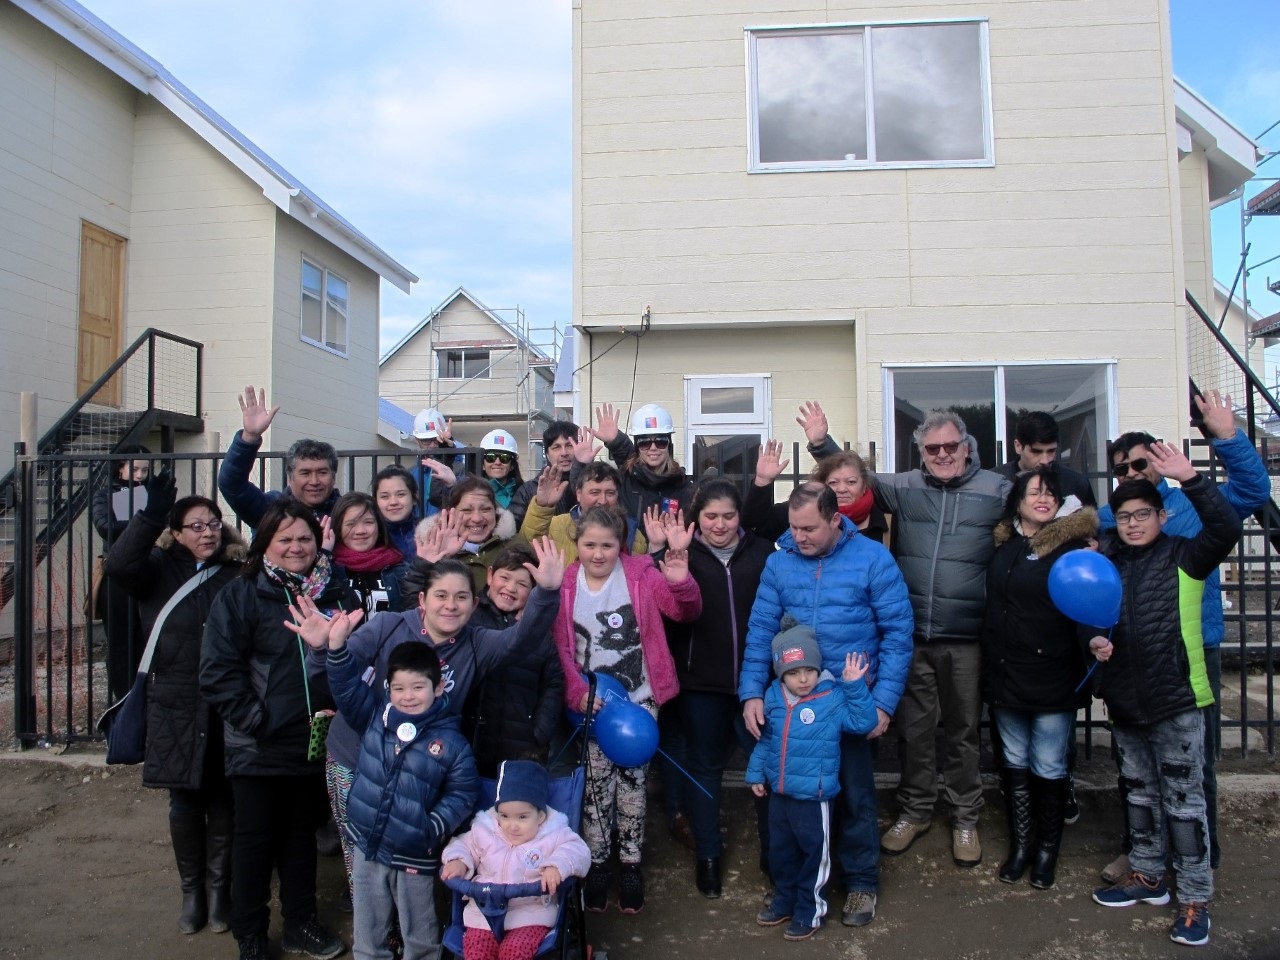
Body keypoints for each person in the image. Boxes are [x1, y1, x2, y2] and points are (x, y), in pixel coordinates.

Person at [304, 539, 564, 924]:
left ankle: (416, 930)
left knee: (413, 855)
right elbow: (331, 673)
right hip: (356, 756)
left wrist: (546, 592)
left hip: (422, 771)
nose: (451, 604)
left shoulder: (478, 643)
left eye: (461, 597)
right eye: (441, 595)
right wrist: (321, 648)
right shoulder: (388, 626)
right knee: (362, 852)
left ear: (475, 605)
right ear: (422, 600)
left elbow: (522, 639)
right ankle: (377, 929)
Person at [1097, 390, 1270, 883]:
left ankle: (1198, 857)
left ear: (1157, 460)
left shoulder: (1193, 503)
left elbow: (1253, 492)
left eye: (1139, 463)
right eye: (1121, 469)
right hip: (1132, 655)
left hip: (1194, 648)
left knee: (1195, 766)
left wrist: (1228, 437)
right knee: (1135, 766)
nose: (1131, 474)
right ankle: (1142, 854)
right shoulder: (1114, 517)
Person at [1087, 441, 1243, 948]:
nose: (1132, 524)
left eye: (1142, 514)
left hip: (1176, 696)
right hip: (1125, 698)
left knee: (1183, 801)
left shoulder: (1187, 554)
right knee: (1137, 793)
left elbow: (1225, 528)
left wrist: (1192, 479)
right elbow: (1091, 616)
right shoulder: (1110, 561)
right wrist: (1095, 641)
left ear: (1160, 515)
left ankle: (1196, 895)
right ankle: (1149, 875)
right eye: (1124, 516)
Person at [739, 483, 913, 929]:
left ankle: (860, 883)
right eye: (794, 528)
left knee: (854, 797)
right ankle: (793, 888)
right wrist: (753, 693)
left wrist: (884, 703)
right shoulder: (780, 563)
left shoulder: (873, 559)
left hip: (848, 704)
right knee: (789, 806)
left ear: (836, 519)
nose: (800, 537)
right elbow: (760, 632)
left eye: (810, 528)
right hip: (790, 708)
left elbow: (897, 634)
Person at [200, 499, 358, 960]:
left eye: (304, 538)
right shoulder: (242, 593)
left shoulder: (336, 592)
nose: (296, 547)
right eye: (284, 539)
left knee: (300, 835)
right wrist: (257, 721)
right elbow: (217, 671)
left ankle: (300, 923)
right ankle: (250, 933)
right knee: (254, 840)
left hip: (315, 740)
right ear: (264, 543)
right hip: (258, 743)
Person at [864, 409, 1010, 869]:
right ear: (921, 453)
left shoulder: (998, 489)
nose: (942, 455)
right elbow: (854, 480)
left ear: (967, 447)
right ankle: (916, 811)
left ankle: (966, 816)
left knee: (965, 732)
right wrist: (822, 444)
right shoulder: (905, 487)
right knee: (915, 731)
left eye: (950, 446)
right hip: (913, 637)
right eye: (932, 449)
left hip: (966, 637)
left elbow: (1047, 510)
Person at [293, 610, 478, 960]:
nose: (408, 696)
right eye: (399, 688)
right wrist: (336, 647)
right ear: (387, 688)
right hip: (367, 845)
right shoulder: (375, 717)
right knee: (369, 928)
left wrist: (434, 826)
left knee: (419, 931)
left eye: (418, 687)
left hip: (414, 854)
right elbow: (347, 686)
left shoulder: (451, 741)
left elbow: (463, 793)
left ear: (438, 687)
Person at [104, 483, 244, 935]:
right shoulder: (157, 570)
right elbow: (119, 564)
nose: (208, 533)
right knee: (183, 799)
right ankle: (192, 893)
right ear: (177, 533)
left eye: (213, 524)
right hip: (173, 703)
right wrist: (149, 516)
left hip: (224, 702)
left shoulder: (235, 572)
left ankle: (220, 892)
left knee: (223, 799)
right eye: (196, 526)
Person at [552, 505, 702, 915]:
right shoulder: (566, 582)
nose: (598, 554)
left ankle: (631, 863)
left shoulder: (640, 573)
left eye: (608, 545)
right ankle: (598, 863)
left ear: (622, 545)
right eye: (590, 545)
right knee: (596, 786)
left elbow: (683, 611)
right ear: (576, 544)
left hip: (639, 697)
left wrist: (681, 582)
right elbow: (562, 648)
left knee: (632, 782)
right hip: (592, 703)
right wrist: (575, 691)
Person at [654, 479, 774, 898]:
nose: (720, 525)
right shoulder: (679, 555)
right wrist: (665, 556)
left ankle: (773, 851)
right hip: (701, 685)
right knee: (705, 767)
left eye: (728, 516)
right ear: (696, 518)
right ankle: (707, 854)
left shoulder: (761, 553)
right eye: (710, 517)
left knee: (767, 765)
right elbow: (661, 612)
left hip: (755, 684)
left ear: (740, 517)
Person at [981, 467, 1097, 889]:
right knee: (1013, 763)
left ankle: (1047, 853)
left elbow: (1087, 604)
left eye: (1050, 493)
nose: (1042, 498)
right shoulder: (1004, 544)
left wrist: (1095, 644)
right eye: (1034, 492)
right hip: (1006, 674)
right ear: (1018, 501)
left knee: (1047, 764)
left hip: (1052, 674)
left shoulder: (1073, 547)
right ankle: (1021, 847)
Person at [747, 626, 878, 942]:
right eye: (794, 672)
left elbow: (864, 722)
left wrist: (854, 686)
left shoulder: (831, 698)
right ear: (781, 673)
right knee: (781, 853)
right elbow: (766, 740)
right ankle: (785, 901)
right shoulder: (774, 696)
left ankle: (810, 910)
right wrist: (754, 773)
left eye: (809, 670)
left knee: (813, 856)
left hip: (814, 797)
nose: (803, 679)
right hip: (780, 794)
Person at [441, 760, 592, 960]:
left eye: (522, 817)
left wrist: (556, 865)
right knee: (477, 952)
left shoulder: (553, 834)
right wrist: (458, 861)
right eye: (504, 816)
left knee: (514, 953)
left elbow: (578, 850)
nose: (512, 826)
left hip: (530, 914)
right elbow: (463, 845)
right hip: (482, 915)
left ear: (540, 816)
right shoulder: (485, 830)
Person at [462, 544, 566, 777]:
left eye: (522, 584)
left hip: (520, 744)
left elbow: (553, 682)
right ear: (490, 576)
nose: (510, 588)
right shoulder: (468, 616)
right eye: (505, 578)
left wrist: (538, 732)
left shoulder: (538, 628)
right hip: (469, 740)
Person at [217, 385, 340, 528]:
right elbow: (231, 485)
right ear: (290, 478)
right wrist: (249, 437)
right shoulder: (269, 509)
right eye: (305, 473)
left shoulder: (347, 513)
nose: (314, 481)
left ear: (333, 477)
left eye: (322, 472)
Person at [90, 444, 151, 702]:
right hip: (116, 572)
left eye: (145, 470)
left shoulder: (151, 491)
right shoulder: (105, 493)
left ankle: (144, 696)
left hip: (148, 568)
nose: (140, 475)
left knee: (147, 638)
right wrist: (145, 523)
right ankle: (123, 699)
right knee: (119, 642)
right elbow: (105, 527)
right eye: (135, 469)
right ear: (120, 467)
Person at [747, 434, 889, 545]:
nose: (841, 489)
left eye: (851, 482)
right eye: (833, 482)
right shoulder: (802, 511)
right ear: (822, 485)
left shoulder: (886, 520)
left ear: (864, 486)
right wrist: (762, 481)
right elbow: (755, 529)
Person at [520, 451, 647, 561]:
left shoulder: (634, 534)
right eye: (594, 492)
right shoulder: (555, 526)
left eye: (610, 493)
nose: (602, 501)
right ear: (579, 493)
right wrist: (542, 507)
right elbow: (527, 547)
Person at [581, 402, 694, 523]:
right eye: (644, 442)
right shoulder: (622, 482)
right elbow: (582, 492)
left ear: (669, 446)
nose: (653, 447)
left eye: (661, 441)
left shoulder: (685, 487)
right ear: (637, 447)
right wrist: (581, 463)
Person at [414, 478, 520, 592]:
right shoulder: (431, 550)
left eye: (485, 509)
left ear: (496, 511)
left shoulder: (514, 547)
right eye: (467, 510)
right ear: (451, 513)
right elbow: (414, 602)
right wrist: (435, 561)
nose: (477, 518)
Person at [330, 491, 410, 619]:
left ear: (379, 526)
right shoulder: (328, 569)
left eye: (368, 522)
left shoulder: (400, 570)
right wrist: (323, 555)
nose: (360, 531)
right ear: (338, 528)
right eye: (351, 524)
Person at [995, 411, 1097, 507]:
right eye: (1036, 451)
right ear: (1018, 446)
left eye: (1051, 451)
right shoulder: (994, 483)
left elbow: (1091, 523)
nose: (1045, 460)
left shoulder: (1076, 483)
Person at [507, 420, 578, 529]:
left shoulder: (595, 484)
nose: (564, 453)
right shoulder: (528, 491)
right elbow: (511, 532)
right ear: (547, 455)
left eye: (569, 445)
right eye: (556, 447)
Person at [411, 407, 467, 515]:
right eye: (426, 440)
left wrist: (447, 449)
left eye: (437, 440)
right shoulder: (411, 474)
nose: (432, 445)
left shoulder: (461, 469)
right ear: (416, 440)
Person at [372, 465, 421, 561]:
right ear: (376, 501)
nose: (393, 502)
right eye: (385, 496)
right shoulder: (370, 536)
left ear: (414, 498)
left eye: (401, 494)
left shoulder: (428, 533)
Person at [478, 429, 524, 512]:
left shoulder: (525, 494)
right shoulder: (471, 492)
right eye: (490, 457)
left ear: (512, 465)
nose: (497, 462)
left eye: (504, 458)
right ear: (482, 465)